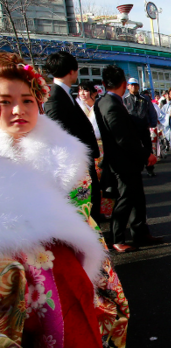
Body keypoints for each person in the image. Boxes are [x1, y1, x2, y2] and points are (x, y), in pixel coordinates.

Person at [0, 51, 146, 348]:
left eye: (26, 100)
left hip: (62, 288)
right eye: (4, 101)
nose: (17, 110)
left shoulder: (60, 156)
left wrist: (88, 286)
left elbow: (79, 225)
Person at [94, 65, 160, 252]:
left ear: (103, 83)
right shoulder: (112, 105)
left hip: (126, 160)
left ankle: (140, 231)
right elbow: (123, 138)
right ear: (124, 84)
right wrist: (146, 154)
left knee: (137, 198)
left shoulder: (104, 101)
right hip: (122, 161)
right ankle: (117, 238)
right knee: (125, 199)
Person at [43, 51, 101, 223]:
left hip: (80, 160)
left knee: (90, 206)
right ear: (72, 71)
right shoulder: (55, 97)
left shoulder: (64, 94)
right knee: (84, 209)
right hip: (73, 163)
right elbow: (59, 132)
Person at [123, 77, 159, 177]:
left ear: (138, 86)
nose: (134, 86)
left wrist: (152, 123)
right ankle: (136, 169)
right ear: (128, 87)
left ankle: (150, 169)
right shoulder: (124, 99)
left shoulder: (145, 99)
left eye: (135, 85)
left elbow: (152, 112)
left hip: (144, 128)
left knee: (148, 149)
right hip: (131, 130)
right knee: (133, 149)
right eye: (132, 85)